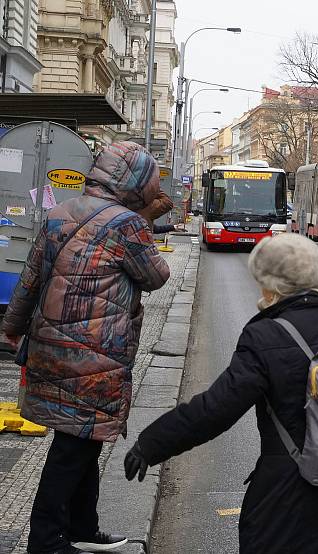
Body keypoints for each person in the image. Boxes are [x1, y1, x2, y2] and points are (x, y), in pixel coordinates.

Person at [122, 233, 318, 553]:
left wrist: (151, 444)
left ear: (273, 284)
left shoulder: (265, 335)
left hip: (283, 498)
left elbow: (215, 410)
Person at [1, 142, 171, 554]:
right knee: (71, 450)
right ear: (135, 180)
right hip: (92, 354)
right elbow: (157, 275)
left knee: (84, 440)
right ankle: (45, 540)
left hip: (50, 346)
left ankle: (81, 526)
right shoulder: (127, 225)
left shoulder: (60, 213)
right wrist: (144, 222)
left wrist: (11, 328)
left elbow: (30, 278)